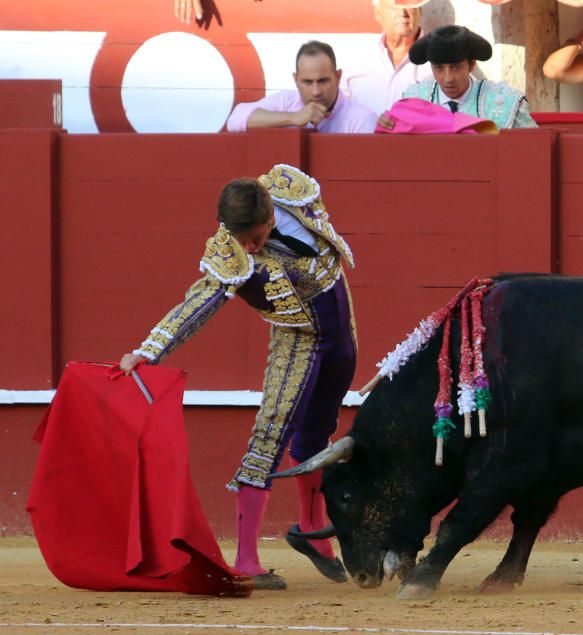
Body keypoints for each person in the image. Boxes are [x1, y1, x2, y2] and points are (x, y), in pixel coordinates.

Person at [119, 164, 359, 590]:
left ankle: (311, 531)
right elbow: (200, 302)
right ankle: (247, 558)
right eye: (240, 239)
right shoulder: (230, 250)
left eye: (255, 238)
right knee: (270, 434)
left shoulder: (293, 191)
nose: (247, 247)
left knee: (318, 431)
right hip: (298, 339)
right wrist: (149, 349)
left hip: (341, 330)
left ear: (270, 217)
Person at [388, 25, 537, 129]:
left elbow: (532, 149)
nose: (448, 78)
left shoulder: (503, 102)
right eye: (439, 68)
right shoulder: (414, 100)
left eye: (455, 67)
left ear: (471, 65)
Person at [226, 41, 377, 134]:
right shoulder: (286, 101)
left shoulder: (362, 118)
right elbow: (236, 119)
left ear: (337, 77)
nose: (316, 91)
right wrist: (292, 118)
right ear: (296, 79)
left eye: (323, 81)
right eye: (307, 82)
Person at [342, 0, 434, 114]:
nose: (403, 13)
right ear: (378, 13)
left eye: (408, 6)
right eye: (394, 7)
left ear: (419, 10)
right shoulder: (357, 58)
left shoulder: (439, 61)